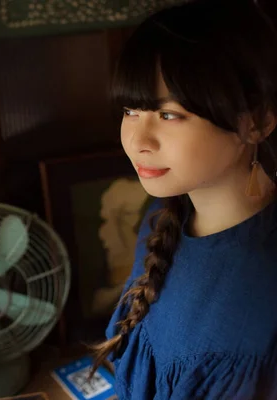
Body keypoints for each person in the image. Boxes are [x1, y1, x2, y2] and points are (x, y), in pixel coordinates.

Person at [90, 0, 277, 398]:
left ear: (257, 121)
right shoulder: (161, 219)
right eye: (130, 110)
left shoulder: (265, 275)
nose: (138, 141)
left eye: (169, 115)